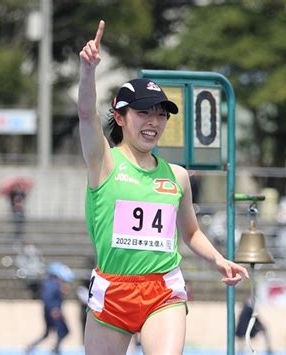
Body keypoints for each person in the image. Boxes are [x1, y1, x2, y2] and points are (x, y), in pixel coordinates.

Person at [78, 20, 248, 355]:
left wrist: (218, 259)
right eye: (144, 113)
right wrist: (87, 71)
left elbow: (191, 232)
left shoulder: (178, 176)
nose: (154, 122)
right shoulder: (104, 162)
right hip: (113, 289)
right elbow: (86, 115)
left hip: (162, 290)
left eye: (161, 115)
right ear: (121, 117)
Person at [25, 262, 73, 355]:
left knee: (48, 333)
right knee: (64, 331)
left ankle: (33, 346)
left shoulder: (50, 283)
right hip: (53, 312)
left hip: (51, 311)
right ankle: (55, 348)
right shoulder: (52, 284)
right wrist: (54, 309)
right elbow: (48, 298)